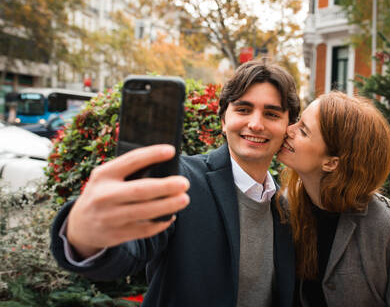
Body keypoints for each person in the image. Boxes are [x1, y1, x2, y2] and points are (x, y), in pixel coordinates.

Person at [50, 59, 300, 307]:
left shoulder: (287, 209)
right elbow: (131, 249)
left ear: (288, 126)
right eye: (243, 110)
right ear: (224, 120)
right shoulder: (180, 181)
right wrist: (85, 238)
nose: (255, 124)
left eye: (271, 114)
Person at [277, 91, 390, 306]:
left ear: (331, 163)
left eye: (303, 131)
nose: (288, 130)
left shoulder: (387, 225)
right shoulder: (282, 207)